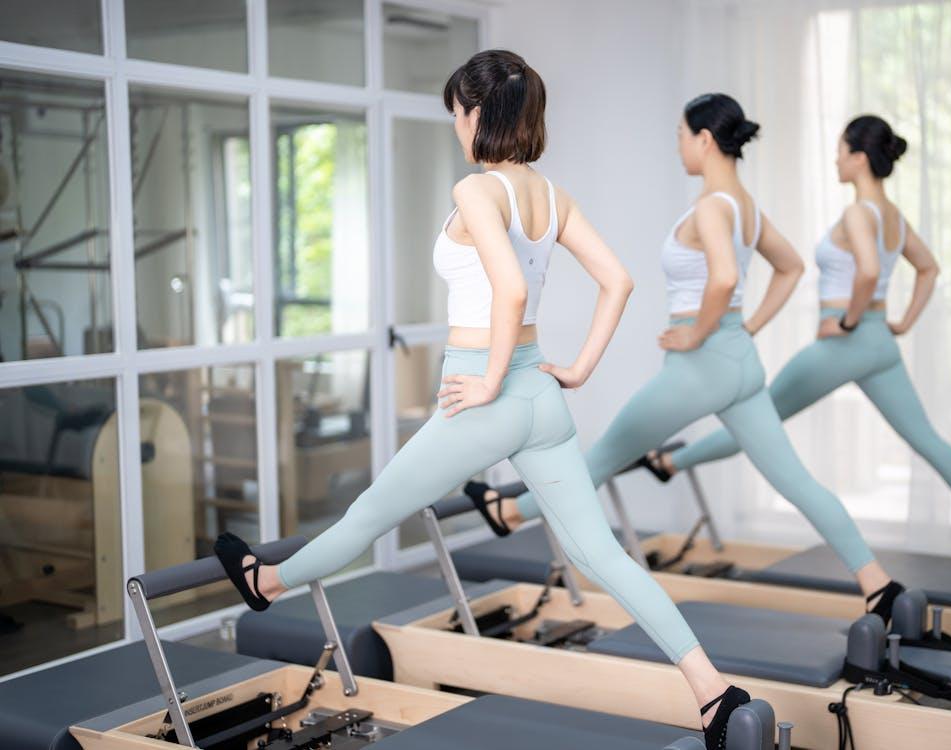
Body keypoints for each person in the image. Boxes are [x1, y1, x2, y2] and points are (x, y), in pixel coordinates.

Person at [213, 51, 750, 747]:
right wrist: (579, 368)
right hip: (543, 401)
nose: (455, 127)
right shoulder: (551, 196)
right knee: (605, 557)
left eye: (455, 114)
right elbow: (617, 281)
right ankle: (711, 691)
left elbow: (512, 289)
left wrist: (490, 380)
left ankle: (267, 584)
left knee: (369, 512)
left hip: (489, 394)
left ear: (476, 113)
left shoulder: (476, 191)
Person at [469, 94, 905, 622]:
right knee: (797, 482)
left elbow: (722, 277)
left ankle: (509, 511)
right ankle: (877, 583)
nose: (678, 144)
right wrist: (743, 327)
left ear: (703, 139)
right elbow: (788, 268)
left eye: (680, 134)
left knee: (606, 453)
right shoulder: (744, 206)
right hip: (740, 364)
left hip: (701, 368)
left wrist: (698, 333)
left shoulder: (712, 207)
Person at [646, 114, 951, 550]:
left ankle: (671, 462)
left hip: (848, 342)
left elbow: (869, 270)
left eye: (840, 151)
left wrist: (848, 321)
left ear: (859, 158)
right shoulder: (894, 217)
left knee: (761, 417)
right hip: (880, 343)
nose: (835, 160)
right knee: (927, 439)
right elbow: (928, 269)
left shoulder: (858, 213)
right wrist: (901, 323)